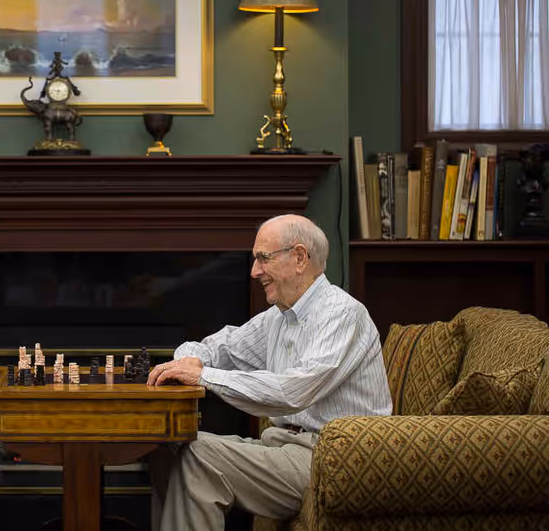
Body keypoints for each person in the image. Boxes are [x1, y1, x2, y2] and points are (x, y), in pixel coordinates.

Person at [147, 214, 391, 530]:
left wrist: (203, 376)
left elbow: (293, 392)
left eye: (264, 258)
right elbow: (217, 348)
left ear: (300, 258)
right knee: (168, 446)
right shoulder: (278, 318)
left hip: (334, 461)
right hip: (285, 449)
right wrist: (186, 361)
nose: (254, 271)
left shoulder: (342, 315)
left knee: (200, 456)